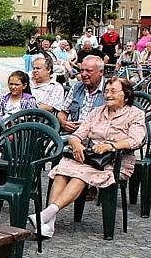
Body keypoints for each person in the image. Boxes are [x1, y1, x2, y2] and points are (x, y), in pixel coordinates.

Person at [35, 77, 146, 238]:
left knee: (81, 175)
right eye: (106, 91)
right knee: (62, 170)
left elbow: (136, 140)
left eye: (113, 91)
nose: (108, 95)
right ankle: (49, 223)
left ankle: (45, 214)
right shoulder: (96, 112)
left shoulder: (135, 114)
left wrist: (112, 146)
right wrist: (76, 144)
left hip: (115, 163)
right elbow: (77, 135)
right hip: (92, 158)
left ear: (126, 95)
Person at [58, 55, 106, 134]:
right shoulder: (77, 87)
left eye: (89, 71)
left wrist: (86, 126)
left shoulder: (110, 90)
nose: (83, 74)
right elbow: (62, 112)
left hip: (97, 136)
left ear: (101, 72)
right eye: (82, 70)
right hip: (73, 133)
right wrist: (64, 123)